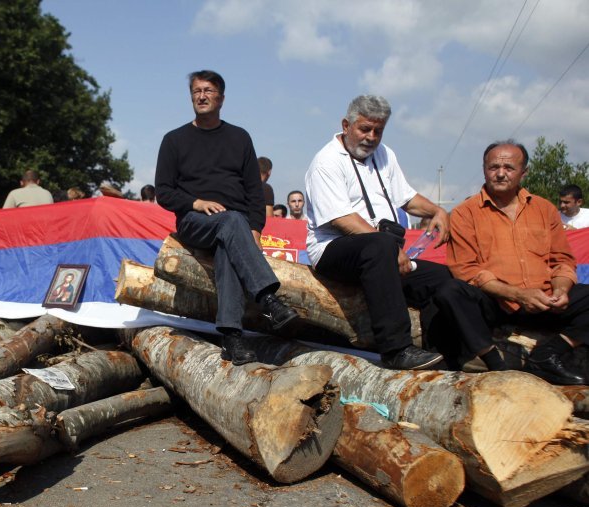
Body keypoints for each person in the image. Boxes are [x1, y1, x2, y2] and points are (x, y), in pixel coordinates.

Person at [155, 70, 298, 364]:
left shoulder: (239, 137)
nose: (201, 96)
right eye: (196, 91)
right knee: (232, 221)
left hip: (233, 226)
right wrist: (196, 202)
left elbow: (254, 191)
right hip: (195, 222)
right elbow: (164, 192)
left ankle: (232, 338)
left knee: (228, 244)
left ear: (221, 98)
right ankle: (268, 300)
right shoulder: (174, 140)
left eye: (208, 90)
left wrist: (255, 230)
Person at [304, 95, 450, 370]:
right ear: (346, 125)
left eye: (378, 131)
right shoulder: (326, 161)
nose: (371, 137)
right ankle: (396, 349)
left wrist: (436, 211)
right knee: (380, 247)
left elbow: (406, 197)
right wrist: (389, 247)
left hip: (381, 250)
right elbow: (342, 219)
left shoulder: (385, 154)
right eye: (364, 129)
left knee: (441, 277)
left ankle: (437, 349)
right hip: (334, 249)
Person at [439, 141, 589, 385]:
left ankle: (549, 353)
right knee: (450, 291)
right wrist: (518, 294)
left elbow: (562, 260)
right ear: (484, 169)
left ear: (524, 172)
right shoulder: (465, 213)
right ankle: (494, 363)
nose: (500, 173)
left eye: (509, 167)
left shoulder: (544, 208)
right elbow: (467, 270)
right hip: (496, 302)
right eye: (493, 167)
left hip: (544, 298)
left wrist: (561, 289)